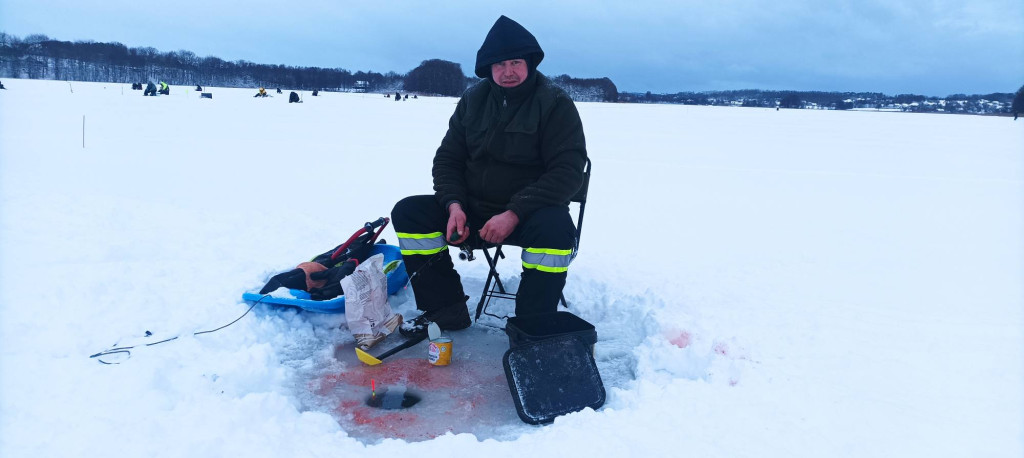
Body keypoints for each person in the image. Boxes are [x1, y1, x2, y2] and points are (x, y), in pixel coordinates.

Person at [391, 15, 587, 338]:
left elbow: (568, 173)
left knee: (557, 231)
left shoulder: (555, 104)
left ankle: (532, 326)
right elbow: (447, 159)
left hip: (530, 216)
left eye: (515, 62)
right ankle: (445, 309)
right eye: (499, 64)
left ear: (530, 63)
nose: (507, 71)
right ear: (488, 67)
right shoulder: (473, 100)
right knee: (409, 213)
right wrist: (454, 205)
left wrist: (513, 213)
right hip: (472, 211)